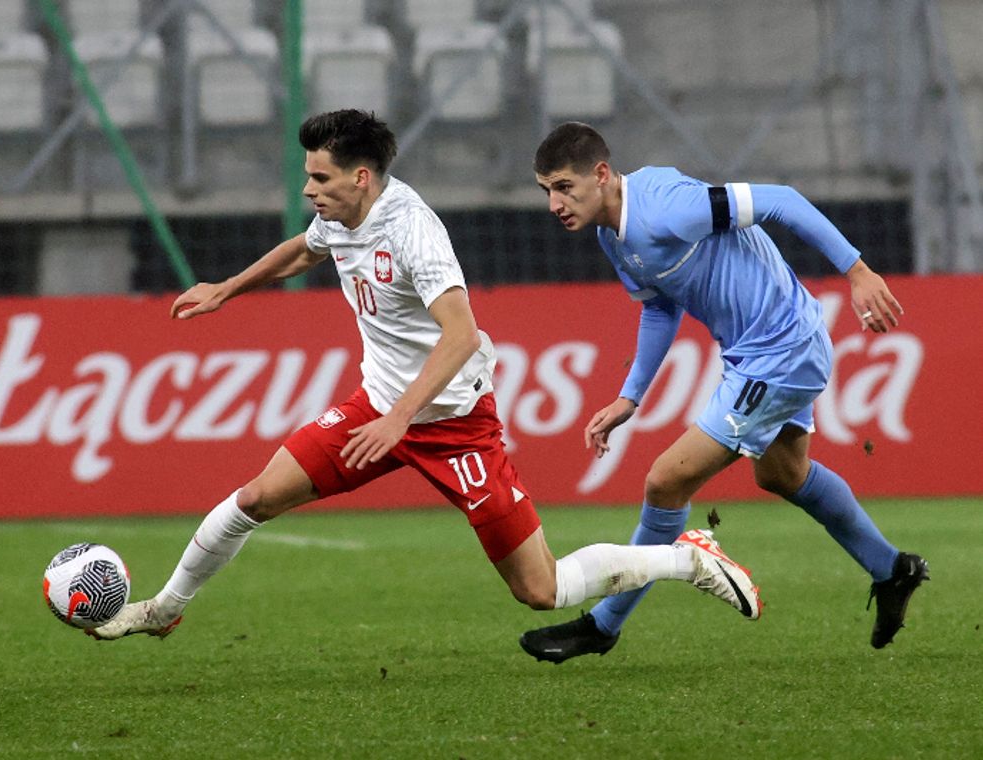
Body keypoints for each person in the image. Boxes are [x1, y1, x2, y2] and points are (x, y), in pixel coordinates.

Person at [89, 110, 761, 643]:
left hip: (455, 425)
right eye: (307, 176)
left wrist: (401, 419)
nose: (307, 190)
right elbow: (304, 250)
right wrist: (227, 288)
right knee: (255, 498)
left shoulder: (411, 230)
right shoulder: (340, 218)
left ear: (360, 178)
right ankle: (164, 609)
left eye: (319, 179)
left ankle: (687, 557)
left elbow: (462, 334)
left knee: (540, 590)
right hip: (375, 410)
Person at [520, 121, 929, 664]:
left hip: (782, 350)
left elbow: (781, 200)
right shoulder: (610, 234)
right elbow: (660, 305)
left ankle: (603, 624)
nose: (554, 203)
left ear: (601, 175)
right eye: (546, 190)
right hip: (759, 349)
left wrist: (856, 271)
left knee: (665, 482)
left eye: (564, 187)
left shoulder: (667, 207)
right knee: (783, 473)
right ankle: (892, 569)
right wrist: (630, 397)